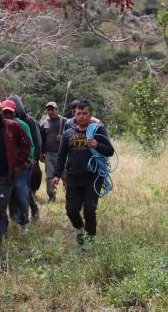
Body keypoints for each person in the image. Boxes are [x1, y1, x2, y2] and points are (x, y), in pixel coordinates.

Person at [52, 100, 114, 245]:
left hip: (93, 177)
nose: (81, 116)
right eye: (78, 113)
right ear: (74, 115)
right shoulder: (68, 133)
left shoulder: (98, 130)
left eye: (84, 113)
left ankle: (90, 241)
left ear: (90, 114)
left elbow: (110, 151)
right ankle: (80, 228)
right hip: (73, 177)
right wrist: (56, 175)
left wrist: (97, 145)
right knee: (71, 211)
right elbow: (61, 156)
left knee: (89, 210)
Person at [0, 96, 31, 247]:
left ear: (0, 110)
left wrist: (19, 165)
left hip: (4, 177)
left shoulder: (12, 127)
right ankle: (0, 232)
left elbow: (26, 144)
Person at [7, 94, 42, 220]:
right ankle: (16, 216)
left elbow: (35, 142)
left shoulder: (28, 122)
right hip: (11, 163)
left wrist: (34, 159)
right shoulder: (3, 123)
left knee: (23, 188)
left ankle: (31, 211)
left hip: (27, 162)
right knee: (15, 189)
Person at [1, 99, 34, 230]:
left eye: (10, 112)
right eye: (5, 112)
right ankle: (14, 219)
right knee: (9, 195)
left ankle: (24, 221)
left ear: (15, 113)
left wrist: (28, 160)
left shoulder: (22, 125)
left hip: (21, 167)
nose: (7, 115)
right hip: (5, 167)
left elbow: (29, 145)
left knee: (21, 193)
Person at [40, 101, 67, 202]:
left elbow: (73, 134)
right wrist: (41, 152)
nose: (50, 111)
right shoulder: (44, 124)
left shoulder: (65, 121)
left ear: (57, 109)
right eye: (48, 109)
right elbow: (42, 139)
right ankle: (51, 195)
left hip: (63, 154)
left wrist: (63, 137)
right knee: (50, 177)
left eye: (52, 109)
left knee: (66, 175)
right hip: (49, 154)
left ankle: (71, 193)